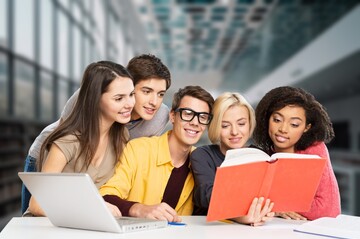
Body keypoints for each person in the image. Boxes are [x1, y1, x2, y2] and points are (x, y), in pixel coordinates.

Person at [21, 54, 171, 213]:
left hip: (89, 193)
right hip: (49, 157)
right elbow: (37, 205)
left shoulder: (125, 135)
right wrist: (93, 208)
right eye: (146, 91)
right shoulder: (70, 136)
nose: (154, 101)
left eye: (161, 94)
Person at [27, 61, 135, 216]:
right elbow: (36, 205)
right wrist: (94, 210)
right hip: (50, 225)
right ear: (95, 99)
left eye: (131, 95)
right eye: (119, 98)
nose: (130, 104)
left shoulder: (121, 136)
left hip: (87, 224)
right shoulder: (68, 141)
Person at [99, 85, 215, 222]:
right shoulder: (138, 149)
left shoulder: (202, 162)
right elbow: (105, 196)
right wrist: (140, 209)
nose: (195, 122)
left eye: (203, 117)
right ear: (172, 116)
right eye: (188, 114)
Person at [253, 86, 341, 221]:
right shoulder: (261, 154)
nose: (283, 129)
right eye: (277, 120)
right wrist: (277, 210)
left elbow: (328, 209)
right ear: (267, 119)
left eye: (294, 124)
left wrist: (275, 205)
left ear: (306, 127)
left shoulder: (314, 150)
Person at [190, 92, 274, 226]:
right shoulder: (202, 155)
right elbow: (207, 196)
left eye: (241, 124)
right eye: (225, 126)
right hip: (209, 229)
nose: (235, 132)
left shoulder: (260, 155)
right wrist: (239, 216)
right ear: (215, 126)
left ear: (250, 124)